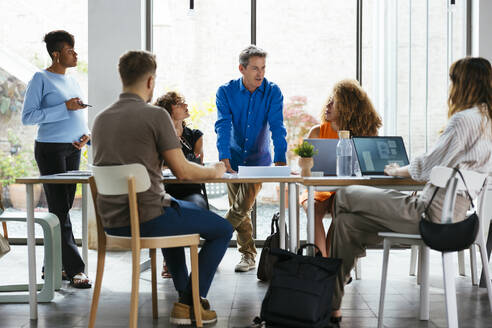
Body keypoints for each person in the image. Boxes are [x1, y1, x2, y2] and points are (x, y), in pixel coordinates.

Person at [328, 57, 492, 327]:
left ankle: (332, 279)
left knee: (345, 195)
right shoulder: (487, 121)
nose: (451, 87)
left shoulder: (464, 120)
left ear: (465, 84)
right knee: (347, 224)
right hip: (456, 216)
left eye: (453, 80)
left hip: (429, 215)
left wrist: (397, 171)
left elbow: (429, 165)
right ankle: (332, 307)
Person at [91, 50, 233, 325]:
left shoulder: (100, 120)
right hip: (148, 218)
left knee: (175, 215)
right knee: (223, 229)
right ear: (150, 82)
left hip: (112, 223)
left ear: (122, 78)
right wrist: (215, 171)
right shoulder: (156, 116)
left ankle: (184, 301)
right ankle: (191, 300)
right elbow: (183, 170)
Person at [21, 30, 91, 288]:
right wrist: (65, 108)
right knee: (59, 210)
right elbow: (28, 117)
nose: (75, 54)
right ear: (56, 54)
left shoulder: (73, 80)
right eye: (70, 50)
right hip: (50, 149)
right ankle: (76, 270)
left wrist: (86, 136)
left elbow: (77, 115)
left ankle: (51, 266)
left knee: (62, 209)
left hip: (74, 149)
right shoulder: (40, 78)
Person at [215, 45, 287, 272]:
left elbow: (277, 127)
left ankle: (210, 244)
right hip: (233, 160)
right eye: (255, 68)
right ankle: (247, 255)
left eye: (263, 68)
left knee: (240, 208)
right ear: (242, 69)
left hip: (258, 163)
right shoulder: (225, 92)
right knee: (240, 211)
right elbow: (222, 126)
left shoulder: (273, 92)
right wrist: (224, 156)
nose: (260, 74)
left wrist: (281, 158)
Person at [301, 79, 382, 257]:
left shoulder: (367, 134)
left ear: (348, 107)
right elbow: (304, 168)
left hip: (347, 191)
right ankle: (320, 262)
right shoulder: (317, 132)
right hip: (319, 190)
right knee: (313, 209)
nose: (327, 105)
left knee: (342, 213)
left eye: (334, 102)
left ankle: (329, 264)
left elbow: (370, 169)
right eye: (328, 100)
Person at [154, 91, 207, 279]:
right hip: (165, 189)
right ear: (168, 111)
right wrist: (182, 161)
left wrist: (174, 162)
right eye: (179, 103)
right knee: (166, 209)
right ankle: (173, 262)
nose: (186, 106)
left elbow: (197, 164)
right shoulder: (158, 135)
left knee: (196, 206)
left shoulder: (195, 136)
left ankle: (196, 262)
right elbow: (159, 164)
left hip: (190, 189)